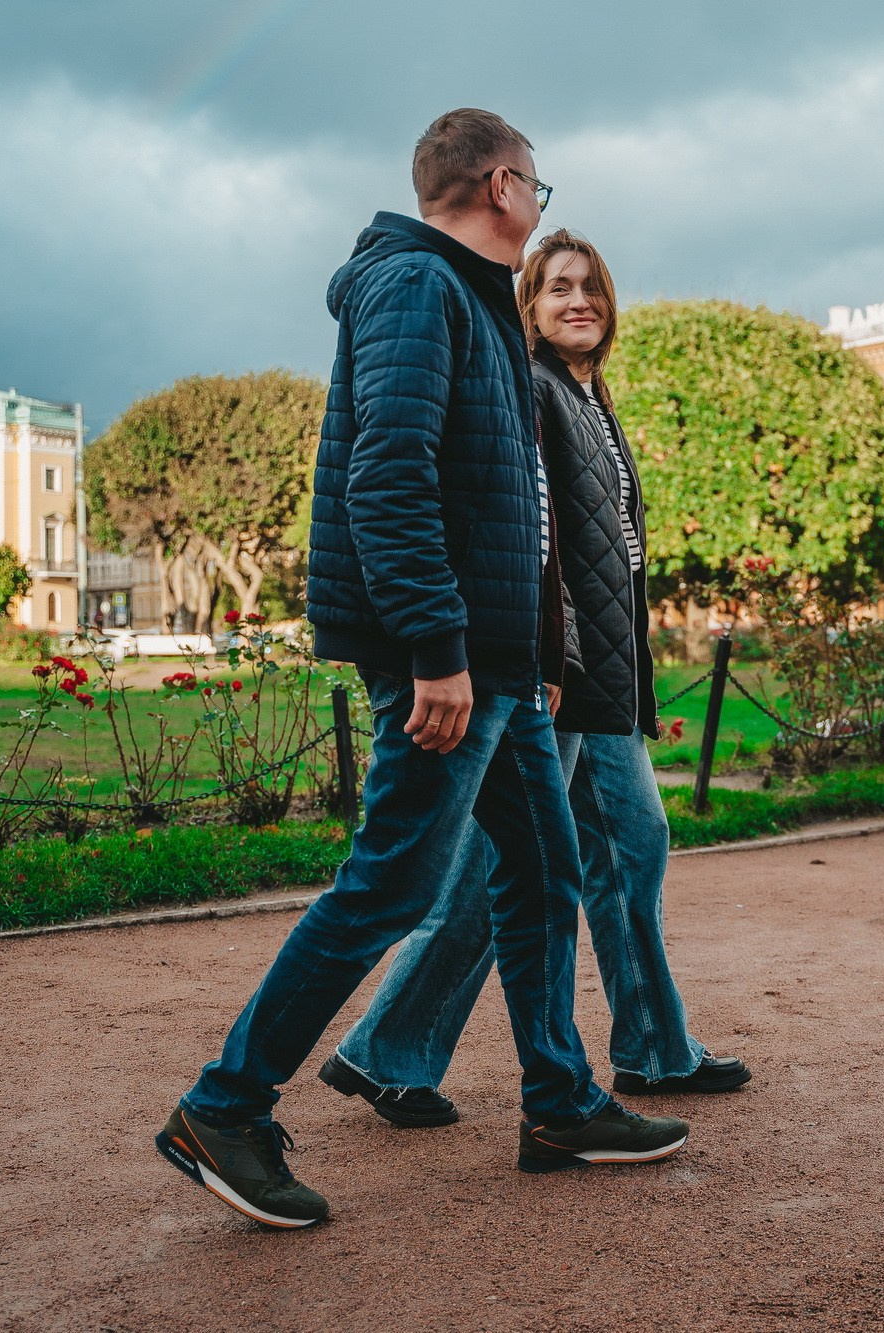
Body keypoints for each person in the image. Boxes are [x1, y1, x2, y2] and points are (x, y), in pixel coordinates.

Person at [155, 109, 689, 1231]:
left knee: (543, 879)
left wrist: (535, 654)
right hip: (443, 663)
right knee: (392, 883)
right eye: (536, 187)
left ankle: (560, 1102)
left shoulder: (475, 301)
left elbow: (508, 506)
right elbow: (386, 478)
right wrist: (436, 654)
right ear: (500, 184)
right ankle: (224, 1106)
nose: (539, 204)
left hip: (502, 668)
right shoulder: (413, 287)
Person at [327, 229, 748, 1130]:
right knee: (518, 870)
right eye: (557, 286)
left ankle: (647, 1046)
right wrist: (549, 660)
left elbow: (614, 555)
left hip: (603, 678)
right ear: (530, 304)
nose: (578, 300)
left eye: (590, 286)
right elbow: (536, 537)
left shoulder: (591, 398)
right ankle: (392, 1050)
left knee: (614, 854)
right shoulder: (532, 388)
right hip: (558, 677)